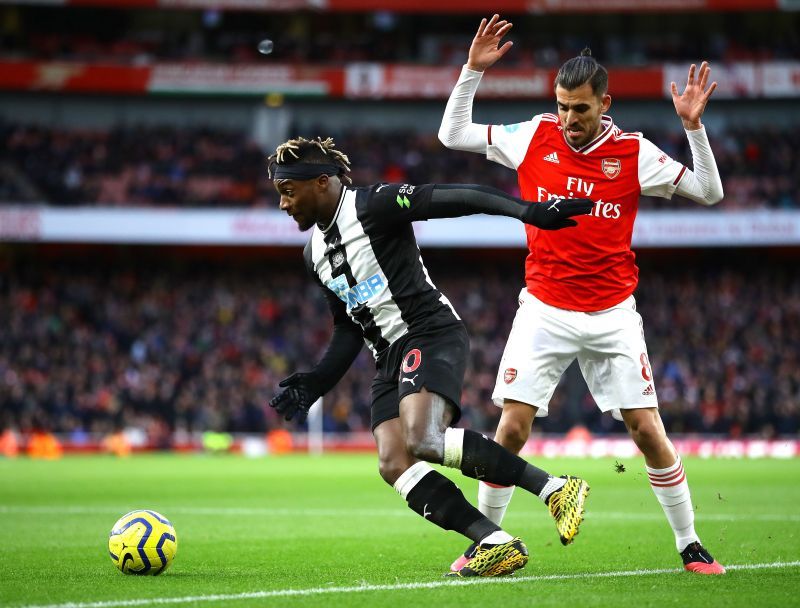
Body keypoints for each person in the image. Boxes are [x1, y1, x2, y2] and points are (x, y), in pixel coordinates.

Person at [438, 14, 725, 575]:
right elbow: (453, 134)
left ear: (605, 103)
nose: (568, 119)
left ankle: (689, 543)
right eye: (562, 106)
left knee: (647, 430)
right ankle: (486, 541)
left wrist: (693, 127)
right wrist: (471, 70)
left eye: (581, 109)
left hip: (614, 314)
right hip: (544, 308)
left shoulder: (635, 153)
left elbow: (710, 193)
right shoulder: (533, 136)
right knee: (511, 428)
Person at [267, 135, 593, 577]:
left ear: (321, 182)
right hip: (387, 358)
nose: (284, 204)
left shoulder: (374, 205)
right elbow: (348, 327)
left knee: (423, 438)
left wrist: (528, 211)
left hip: (428, 331)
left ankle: (555, 488)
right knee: (393, 461)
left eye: (288, 192)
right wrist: (316, 381)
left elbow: (456, 197)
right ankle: (494, 541)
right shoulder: (313, 255)